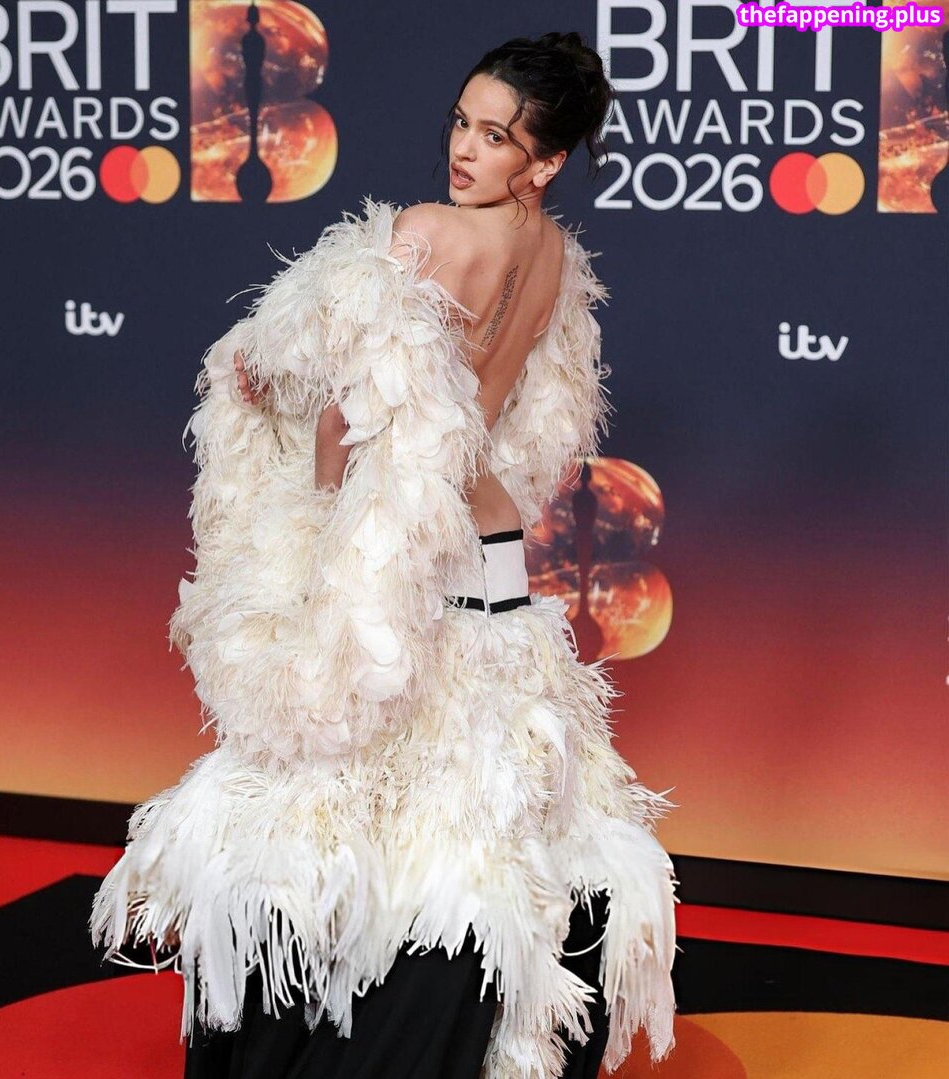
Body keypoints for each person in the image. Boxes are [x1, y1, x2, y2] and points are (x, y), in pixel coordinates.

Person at [90, 31, 679, 1079]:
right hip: (492, 555)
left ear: (545, 160)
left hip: (402, 562)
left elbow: (335, 404)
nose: (464, 149)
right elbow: (483, 413)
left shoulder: (425, 233)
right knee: (464, 830)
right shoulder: (552, 254)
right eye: (461, 122)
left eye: (495, 137)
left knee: (330, 817)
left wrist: (316, 501)